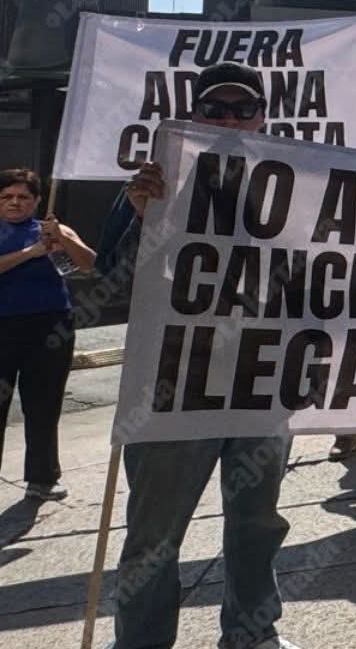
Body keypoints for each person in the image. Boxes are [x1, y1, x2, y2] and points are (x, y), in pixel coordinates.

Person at [101, 61, 304, 649]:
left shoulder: (299, 186)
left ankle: (251, 633)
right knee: (154, 535)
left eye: (244, 108)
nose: (231, 119)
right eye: (216, 109)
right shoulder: (152, 184)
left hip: (262, 381)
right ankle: (140, 642)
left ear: (264, 117)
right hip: (171, 386)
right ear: (193, 116)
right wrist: (144, 221)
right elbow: (111, 287)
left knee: (257, 525)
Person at [0, 168, 93, 513]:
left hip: (49, 327)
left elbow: (89, 265)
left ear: (35, 201)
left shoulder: (54, 231)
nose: (15, 203)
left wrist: (63, 239)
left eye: (23, 197)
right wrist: (28, 253)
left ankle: (43, 479)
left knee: (44, 406)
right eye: (7, 197)